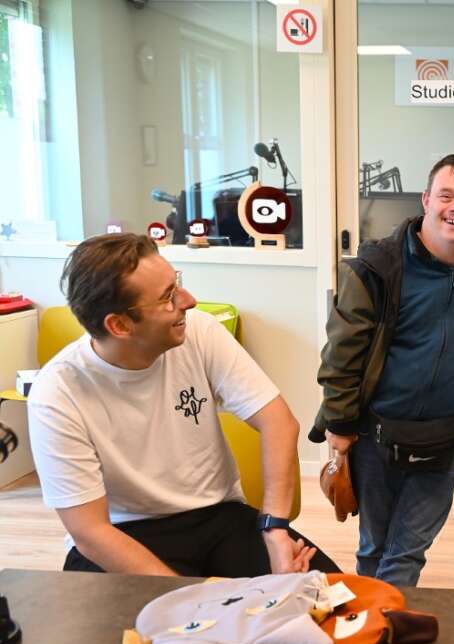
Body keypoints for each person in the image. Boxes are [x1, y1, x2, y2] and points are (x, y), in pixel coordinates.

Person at [27, 233, 339, 577]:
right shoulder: (57, 393)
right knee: (142, 614)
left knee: (339, 600)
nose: (189, 301)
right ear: (119, 325)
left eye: (177, 283)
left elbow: (278, 422)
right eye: (167, 297)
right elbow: (91, 533)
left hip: (219, 518)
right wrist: (192, 599)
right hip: (122, 535)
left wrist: (274, 527)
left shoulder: (199, 332)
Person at [310, 154, 454, 587]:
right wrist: (339, 423)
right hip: (376, 434)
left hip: (447, 436)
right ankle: (375, 616)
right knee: (373, 547)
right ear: (426, 200)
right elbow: (341, 353)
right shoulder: (377, 267)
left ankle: (380, 618)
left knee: (405, 552)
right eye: (446, 195)